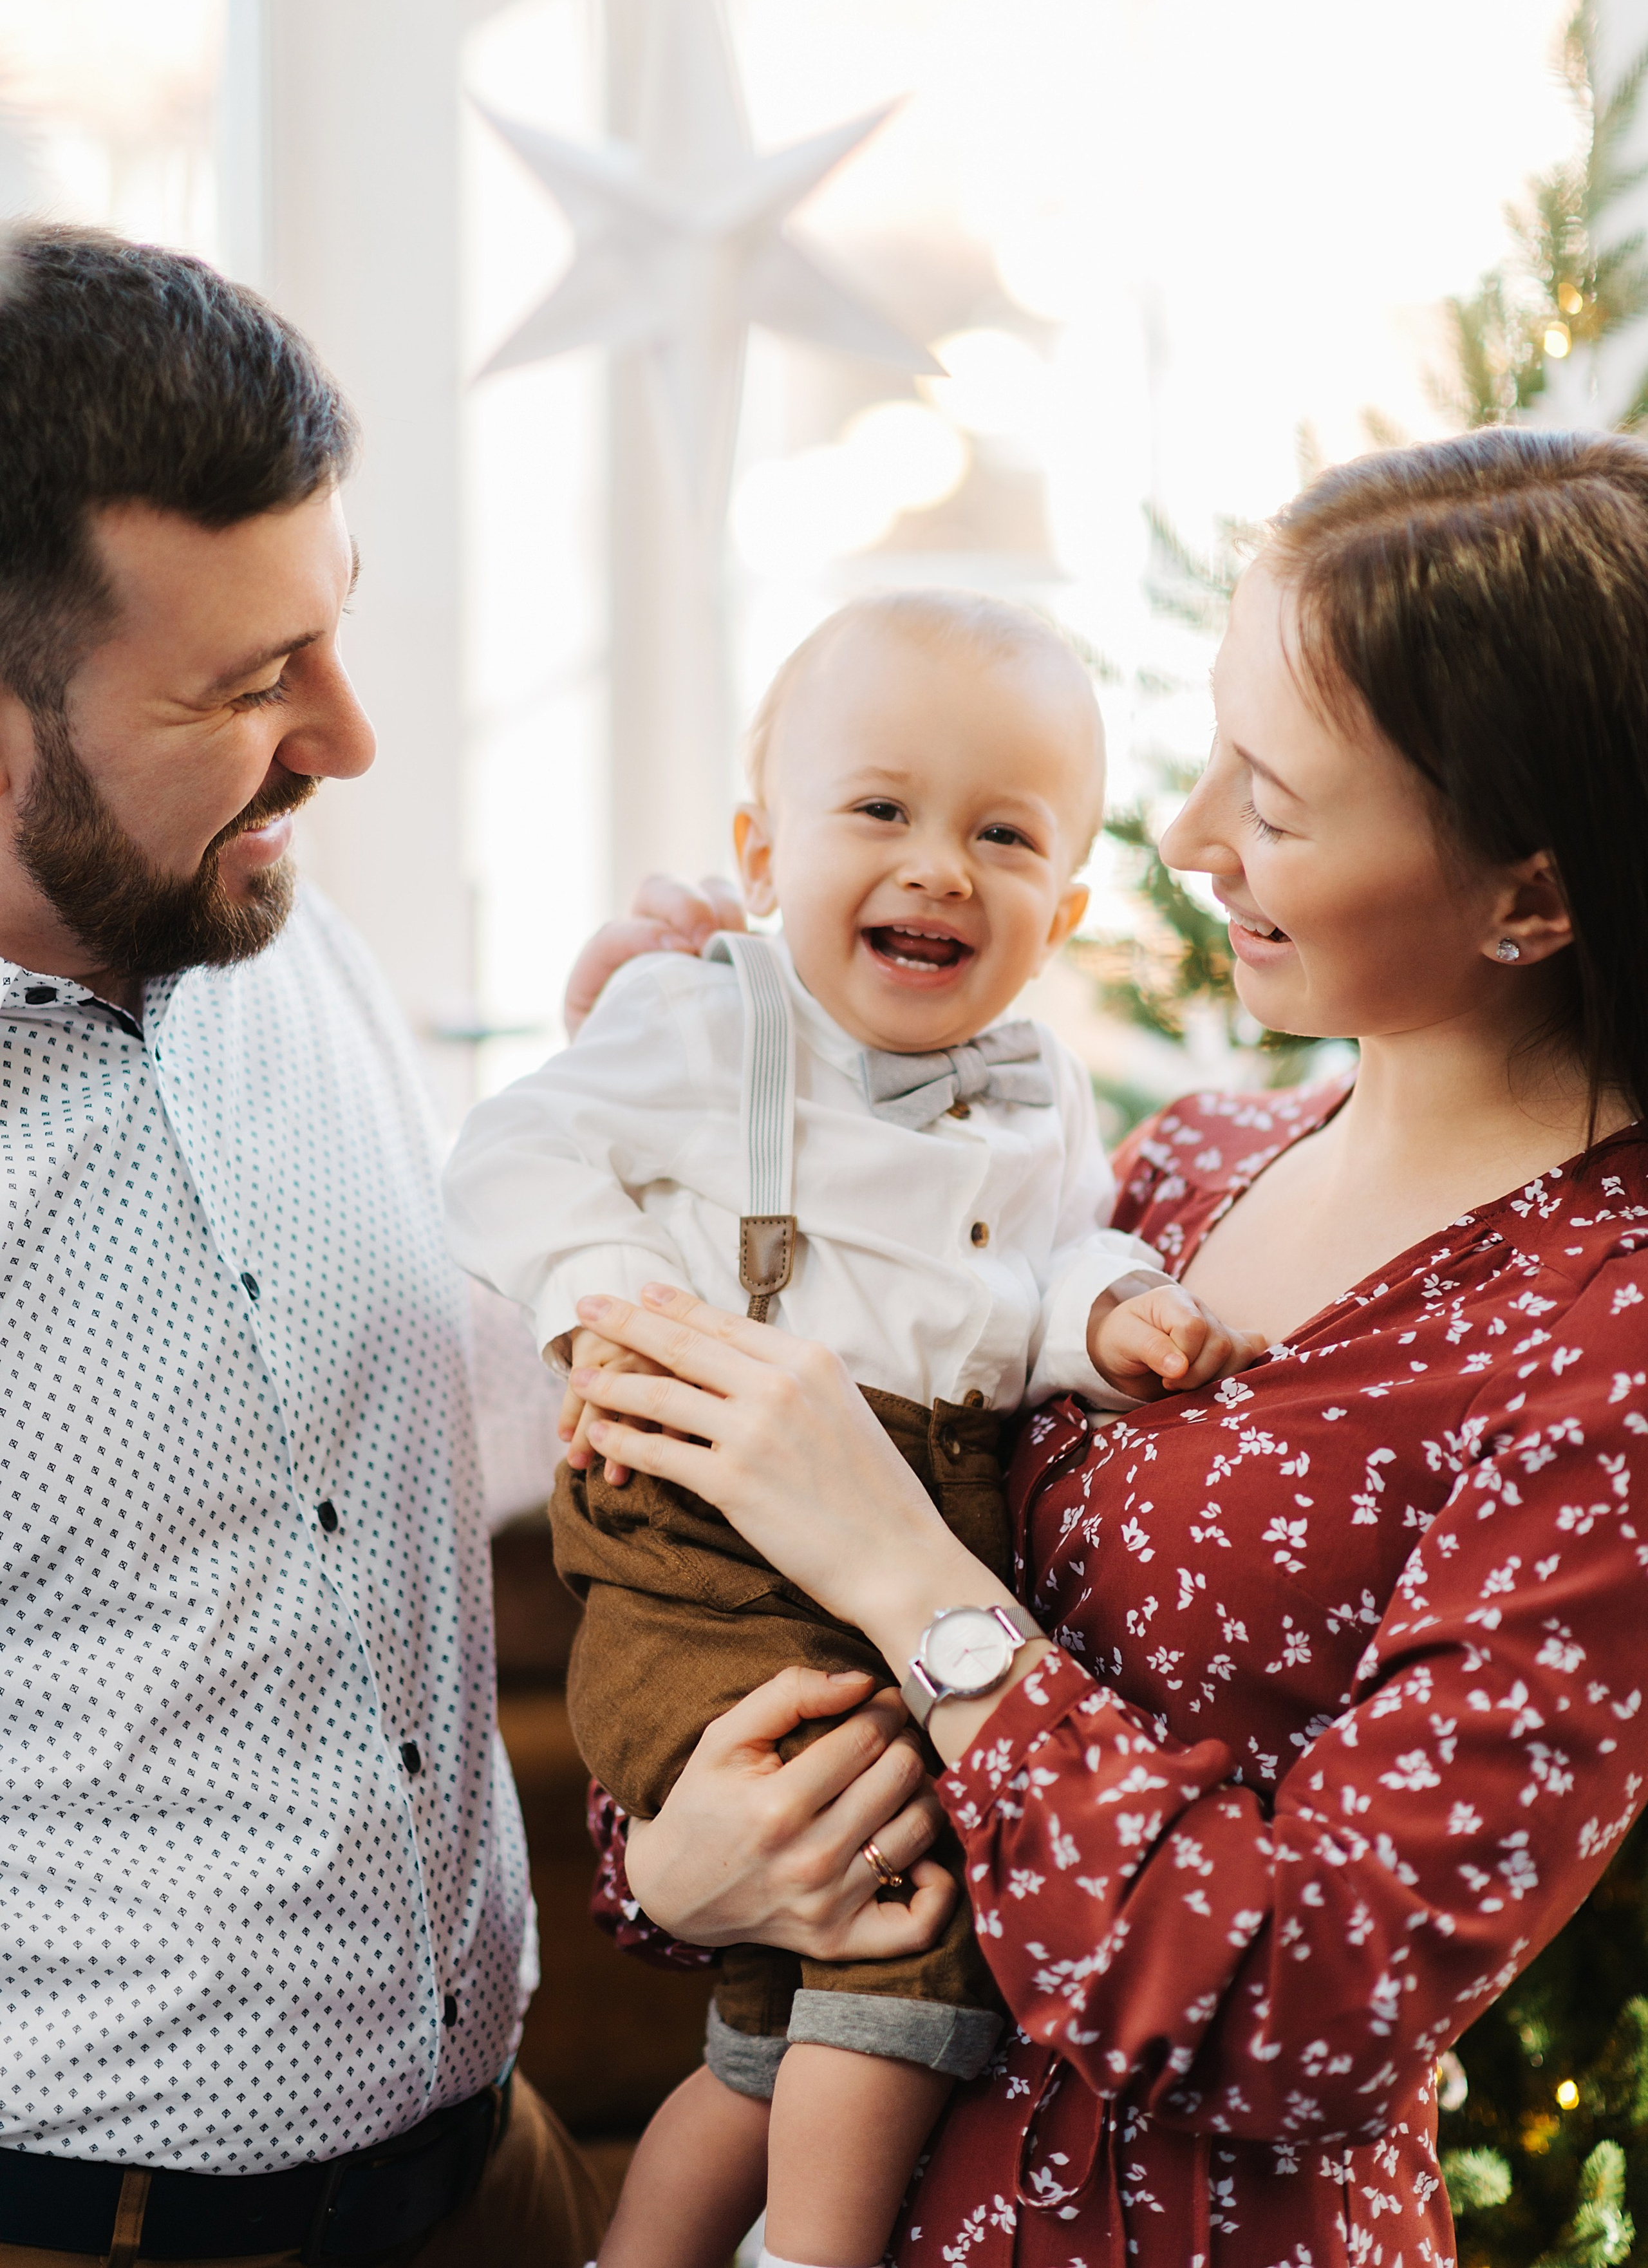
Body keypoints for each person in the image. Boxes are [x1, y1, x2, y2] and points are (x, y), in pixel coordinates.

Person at [560, 426, 1648, 2265]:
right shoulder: (1187, 1164)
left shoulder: (1604, 1354)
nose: (1193, 833)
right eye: (1216, 752)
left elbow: (1317, 2004)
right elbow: (735, 1615)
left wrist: (913, 1580)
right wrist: (678, 1866)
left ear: (1529, 899)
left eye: (1281, 805)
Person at [0, 225, 906, 2268]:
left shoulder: (278, 930)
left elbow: (408, 1422)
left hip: (486, 2178)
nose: (350, 732)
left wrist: (628, 1127)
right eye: (248, 683)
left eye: (331, 629)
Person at [444, 594, 1262, 2268]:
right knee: (904, 1925)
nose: (940, 863)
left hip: (914, 1509)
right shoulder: (704, 1020)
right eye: (880, 810)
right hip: (697, 1531)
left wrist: (1110, 1316)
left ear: (1071, 905)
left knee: (767, 2027)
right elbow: (511, 1158)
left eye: (1004, 832)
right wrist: (604, 1299)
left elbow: (1035, 1276)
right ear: (761, 847)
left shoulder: (1039, 1085)